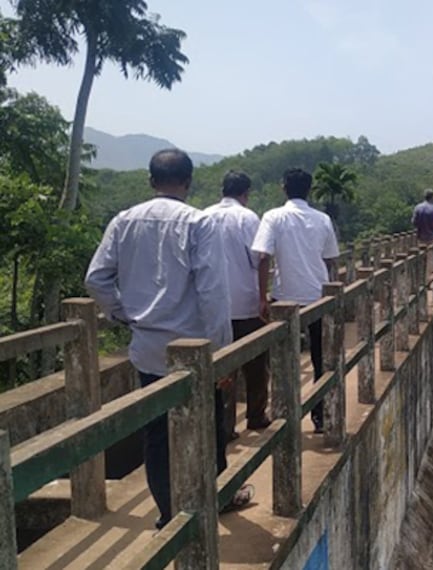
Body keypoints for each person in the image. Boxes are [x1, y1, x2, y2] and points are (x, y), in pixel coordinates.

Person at [85, 149, 252, 529]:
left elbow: (96, 278)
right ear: (189, 182)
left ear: (150, 181)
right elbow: (212, 293)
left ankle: (168, 514)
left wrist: (122, 314)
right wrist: (222, 352)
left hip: (147, 349)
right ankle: (215, 500)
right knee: (207, 428)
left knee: (157, 435)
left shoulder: (124, 221)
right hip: (193, 350)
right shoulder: (198, 223)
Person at [252, 168, 339, 433]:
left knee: (283, 360)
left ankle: (284, 415)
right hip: (317, 296)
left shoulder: (273, 217)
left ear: (283, 187)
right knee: (319, 358)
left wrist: (261, 298)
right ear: (309, 189)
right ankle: (320, 416)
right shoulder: (322, 219)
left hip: (283, 299)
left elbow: (263, 256)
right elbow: (331, 259)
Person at [204, 170, 271, 436]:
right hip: (245, 302)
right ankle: (255, 416)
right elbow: (262, 257)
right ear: (245, 193)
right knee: (255, 365)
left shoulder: (203, 216)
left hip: (212, 308)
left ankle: (224, 426)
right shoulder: (247, 217)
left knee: (221, 368)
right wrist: (263, 297)